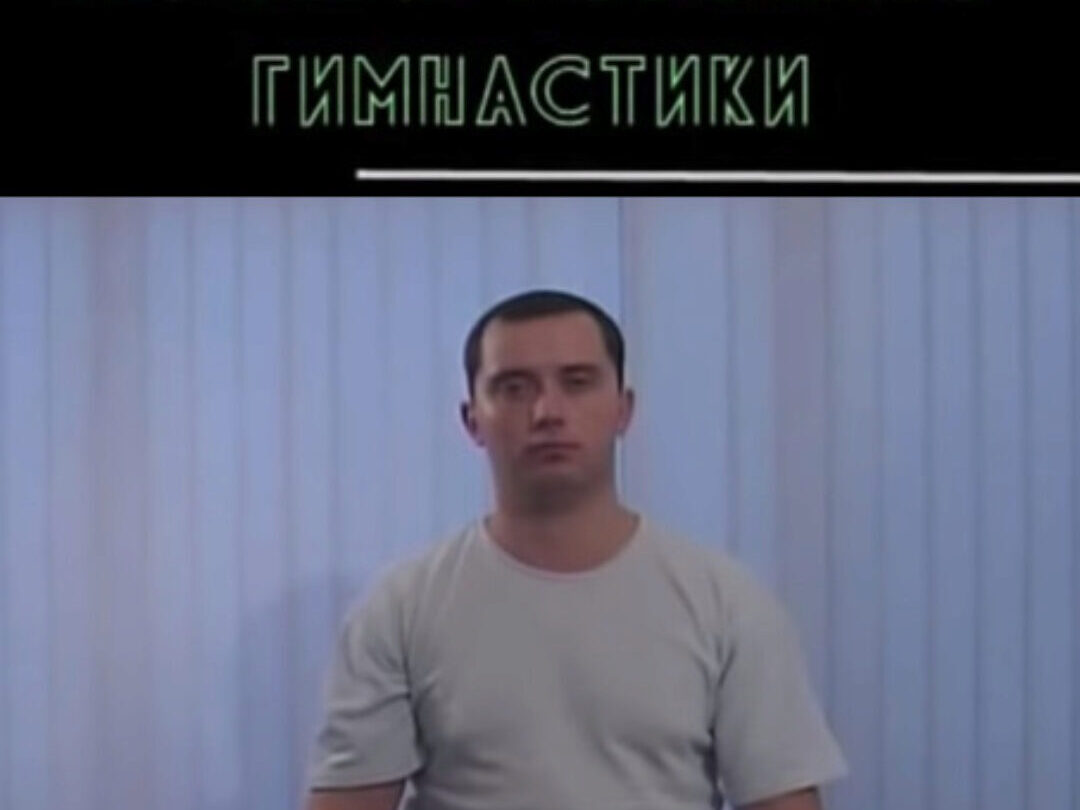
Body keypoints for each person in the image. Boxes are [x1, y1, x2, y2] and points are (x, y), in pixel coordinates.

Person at [304, 289, 848, 810]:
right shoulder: (400, 609)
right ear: (472, 421)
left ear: (623, 410)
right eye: (514, 388)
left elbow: (782, 801)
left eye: (578, 382)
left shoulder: (726, 603)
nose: (547, 411)